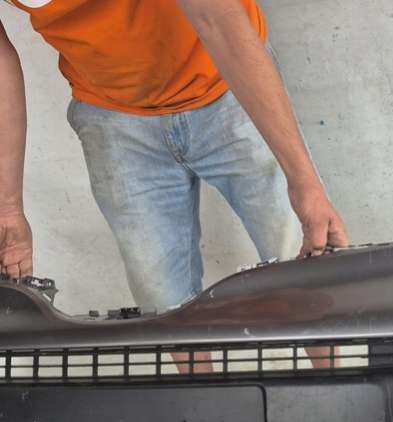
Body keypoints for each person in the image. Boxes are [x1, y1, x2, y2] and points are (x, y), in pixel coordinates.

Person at [0, 0, 350, 313]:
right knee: (163, 303)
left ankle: (332, 369)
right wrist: (9, 210)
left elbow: (216, 19)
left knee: (306, 269)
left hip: (228, 87)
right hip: (114, 117)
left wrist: (303, 180)